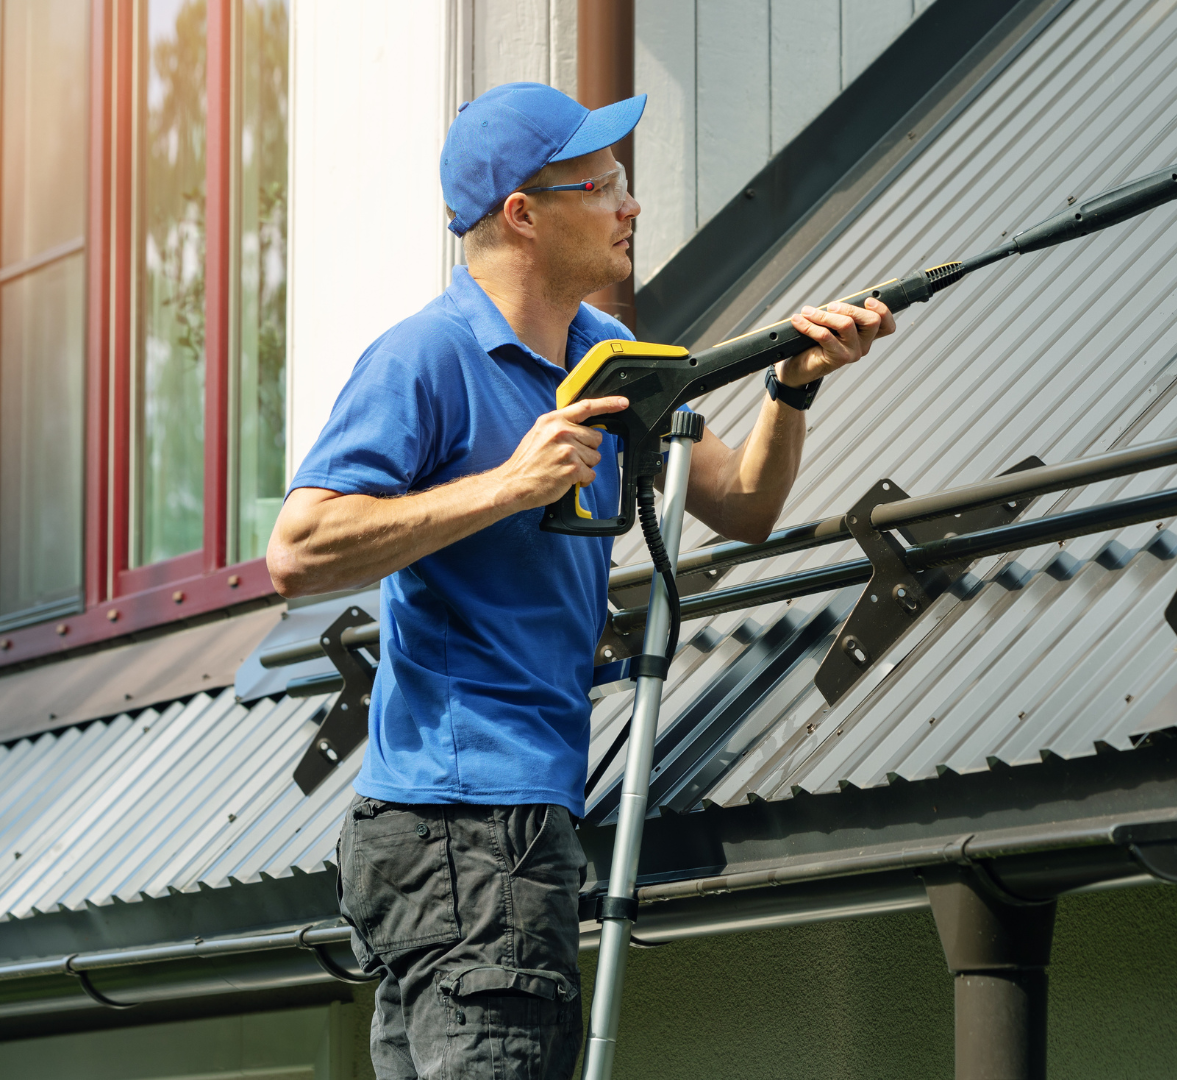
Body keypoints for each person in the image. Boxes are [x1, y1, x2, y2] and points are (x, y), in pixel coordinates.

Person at [266, 82, 893, 1080]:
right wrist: (509, 485)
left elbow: (742, 504)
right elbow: (299, 550)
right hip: (462, 826)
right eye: (605, 186)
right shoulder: (427, 357)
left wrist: (793, 384)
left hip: (507, 822)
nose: (630, 206)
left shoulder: (607, 355)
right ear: (526, 212)